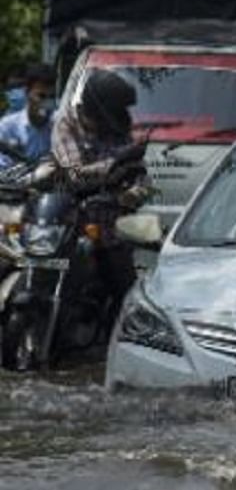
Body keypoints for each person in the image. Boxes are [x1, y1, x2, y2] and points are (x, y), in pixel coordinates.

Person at [50, 68, 149, 309]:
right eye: (115, 109)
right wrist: (117, 164)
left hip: (107, 229)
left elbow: (143, 180)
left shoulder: (119, 131)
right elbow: (74, 172)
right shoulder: (67, 124)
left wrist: (132, 194)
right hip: (66, 227)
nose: (121, 115)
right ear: (98, 107)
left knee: (127, 301)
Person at [0, 64, 56, 166]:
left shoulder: (59, 125)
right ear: (27, 93)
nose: (47, 103)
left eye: (51, 97)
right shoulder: (7, 127)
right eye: (41, 96)